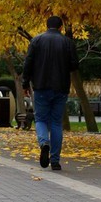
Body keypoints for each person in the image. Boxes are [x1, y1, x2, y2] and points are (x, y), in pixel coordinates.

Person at [22, 15, 79, 171]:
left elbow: (28, 63)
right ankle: (55, 160)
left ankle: (43, 143)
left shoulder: (37, 41)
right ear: (61, 27)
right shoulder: (67, 42)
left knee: (40, 119)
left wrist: (25, 83)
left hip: (40, 86)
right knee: (55, 123)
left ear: (46, 26)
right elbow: (74, 64)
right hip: (60, 87)